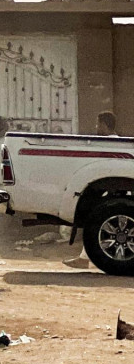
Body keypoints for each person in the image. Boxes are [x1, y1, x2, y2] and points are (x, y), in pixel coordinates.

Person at [64, 110, 121, 269]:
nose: (96, 127)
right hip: (112, 193)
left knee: (96, 224)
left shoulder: (108, 144)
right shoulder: (117, 142)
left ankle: (85, 258)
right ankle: (85, 257)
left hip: (109, 194)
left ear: (104, 125)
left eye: (98, 124)